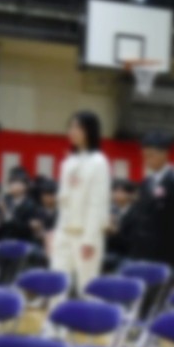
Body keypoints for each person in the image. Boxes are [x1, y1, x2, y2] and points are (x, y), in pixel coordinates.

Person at [51, 110, 110, 296]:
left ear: (90, 131)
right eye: (71, 127)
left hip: (85, 235)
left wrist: (90, 240)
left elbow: (97, 204)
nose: (72, 131)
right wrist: (57, 233)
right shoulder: (68, 162)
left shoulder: (99, 162)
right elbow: (64, 203)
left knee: (87, 289)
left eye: (78, 127)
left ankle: (94, 316)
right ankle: (55, 317)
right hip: (64, 233)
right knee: (56, 284)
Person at [130, 131, 174, 266]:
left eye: (151, 155)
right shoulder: (146, 182)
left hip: (164, 249)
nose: (147, 159)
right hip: (142, 246)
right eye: (144, 156)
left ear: (164, 154)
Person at [105, 179, 138, 270]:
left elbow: (133, 242)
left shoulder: (136, 213)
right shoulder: (111, 211)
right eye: (114, 191)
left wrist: (115, 232)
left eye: (120, 192)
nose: (116, 195)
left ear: (131, 194)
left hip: (128, 254)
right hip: (111, 251)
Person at [0, 173, 39, 242]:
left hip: (23, 240)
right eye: (12, 184)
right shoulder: (5, 200)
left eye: (17, 184)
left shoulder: (30, 204)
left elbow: (27, 227)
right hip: (5, 239)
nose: (14, 186)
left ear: (25, 186)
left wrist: (7, 215)